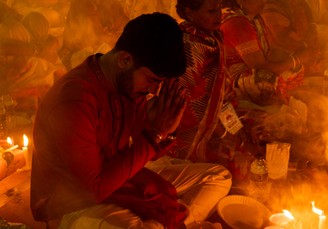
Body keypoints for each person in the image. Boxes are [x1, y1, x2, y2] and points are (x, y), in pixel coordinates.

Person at [31, 13, 232, 229]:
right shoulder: (73, 101)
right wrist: (154, 135)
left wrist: (164, 129)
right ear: (125, 60)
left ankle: (164, 224)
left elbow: (145, 147)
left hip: (120, 178)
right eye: (152, 80)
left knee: (218, 176)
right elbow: (93, 189)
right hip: (72, 203)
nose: (154, 90)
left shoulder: (126, 84)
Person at [220, 0, 304, 106]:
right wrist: (297, 58)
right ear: (240, 0)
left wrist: (295, 54)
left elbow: (268, 50)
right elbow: (261, 67)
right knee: (265, 81)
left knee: (296, 67)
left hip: (253, 70)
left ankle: (287, 97)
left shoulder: (254, 17)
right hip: (230, 81)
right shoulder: (237, 22)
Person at [171, 0, 227, 163]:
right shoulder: (189, 45)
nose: (219, 15)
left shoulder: (211, 38)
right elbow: (182, 99)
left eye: (219, 8)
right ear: (190, 13)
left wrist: (230, 127)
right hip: (184, 135)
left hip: (209, 128)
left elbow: (218, 93)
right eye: (211, 11)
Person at [61, 0, 129, 70]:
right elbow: (90, 36)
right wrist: (112, 38)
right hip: (84, 49)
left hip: (105, 40)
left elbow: (121, 17)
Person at [260, 0, 320, 74]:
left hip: (300, 50)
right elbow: (280, 38)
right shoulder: (264, 1)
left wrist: (312, 26)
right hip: (279, 60)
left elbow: (303, 4)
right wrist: (305, 45)